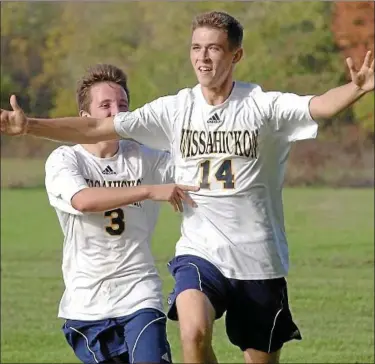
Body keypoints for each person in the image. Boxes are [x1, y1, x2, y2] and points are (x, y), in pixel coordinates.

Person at [1, 11, 374, 364]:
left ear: (235, 54)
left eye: (214, 48)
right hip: (201, 252)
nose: (203, 57)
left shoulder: (262, 106)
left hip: (258, 257)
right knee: (192, 333)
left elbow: (320, 107)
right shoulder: (174, 110)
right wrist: (29, 125)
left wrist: (355, 89)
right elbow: (96, 128)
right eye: (196, 48)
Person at [43, 64, 198, 364]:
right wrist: (150, 190)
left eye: (123, 106)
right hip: (87, 304)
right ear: (85, 117)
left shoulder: (144, 157)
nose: (117, 113)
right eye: (106, 106)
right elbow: (83, 201)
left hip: (140, 294)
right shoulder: (65, 159)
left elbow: (196, 169)